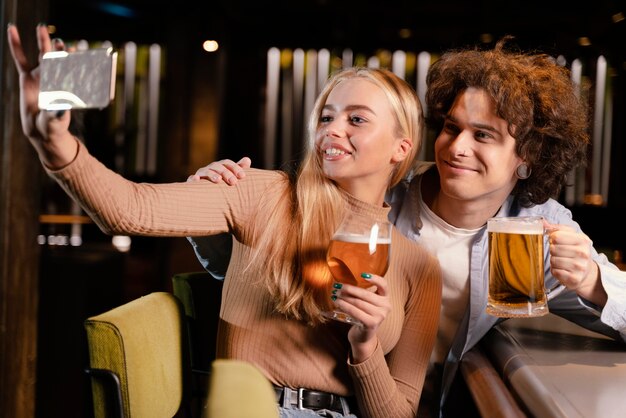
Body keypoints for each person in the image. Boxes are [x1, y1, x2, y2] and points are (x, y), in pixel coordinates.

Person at [8, 23, 442, 418]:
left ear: (400, 148)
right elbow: (129, 209)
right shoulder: (263, 193)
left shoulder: (419, 268)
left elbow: (400, 413)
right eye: (327, 117)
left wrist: (365, 349)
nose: (332, 129)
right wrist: (55, 143)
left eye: (357, 119)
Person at [187, 36, 626, 417]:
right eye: (452, 128)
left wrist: (591, 281)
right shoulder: (380, 192)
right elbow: (258, 270)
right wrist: (211, 209)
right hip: (335, 397)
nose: (456, 148)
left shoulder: (534, 230)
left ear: (527, 156)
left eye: (483, 135)